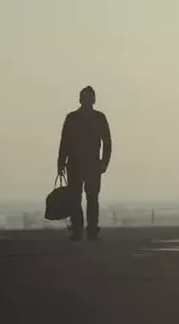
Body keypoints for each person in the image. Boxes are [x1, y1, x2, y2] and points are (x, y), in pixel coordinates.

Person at [57, 86, 112, 241]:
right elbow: (65, 142)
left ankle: (90, 229)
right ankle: (80, 229)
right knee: (77, 197)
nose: (88, 101)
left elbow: (107, 143)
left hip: (91, 164)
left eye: (89, 98)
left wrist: (104, 163)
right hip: (76, 164)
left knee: (91, 197)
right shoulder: (73, 118)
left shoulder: (98, 118)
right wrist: (61, 163)